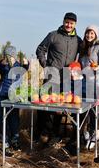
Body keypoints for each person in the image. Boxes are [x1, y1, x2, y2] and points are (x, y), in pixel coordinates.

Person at [35, 12, 83, 144]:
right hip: (52, 76)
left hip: (67, 78)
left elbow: (85, 54)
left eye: (71, 23)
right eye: (67, 22)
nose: (69, 25)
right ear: (63, 22)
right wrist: (45, 65)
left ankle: (56, 134)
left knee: (61, 106)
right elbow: (40, 49)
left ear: (75, 24)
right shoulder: (53, 35)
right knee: (46, 106)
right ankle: (43, 134)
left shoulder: (78, 40)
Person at [78, 25, 99, 146]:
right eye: (87, 33)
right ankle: (83, 132)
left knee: (93, 110)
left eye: (92, 33)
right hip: (84, 82)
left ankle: (94, 134)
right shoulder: (84, 47)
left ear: (96, 35)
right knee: (83, 108)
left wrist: (97, 68)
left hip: (96, 83)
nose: (89, 35)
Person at [0, 45, 29, 155]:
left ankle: (15, 141)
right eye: (8, 56)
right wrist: (3, 61)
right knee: (3, 121)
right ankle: (5, 144)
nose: (11, 58)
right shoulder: (4, 66)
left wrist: (26, 63)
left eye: (12, 56)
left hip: (14, 98)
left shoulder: (18, 66)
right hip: (3, 97)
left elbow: (24, 69)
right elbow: (0, 68)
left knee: (14, 120)